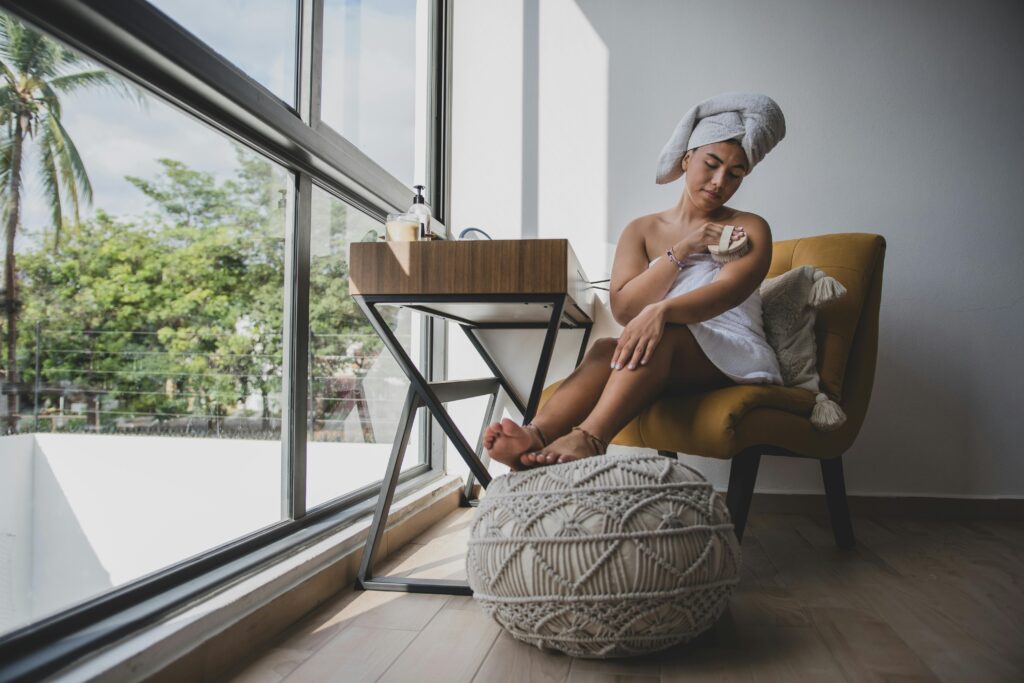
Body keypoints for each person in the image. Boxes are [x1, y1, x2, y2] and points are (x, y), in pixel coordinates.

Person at [484, 92, 787, 469]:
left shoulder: (750, 226)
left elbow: (728, 293)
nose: (720, 181)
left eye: (736, 173)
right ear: (687, 157)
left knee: (664, 334)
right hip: (663, 346)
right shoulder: (642, 230)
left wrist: (662, 312)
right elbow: (626, 308)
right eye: (711, 164)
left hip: (732, 353)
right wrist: (685, 248)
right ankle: (536, 434)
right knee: (603, 349)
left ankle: (589, 438)